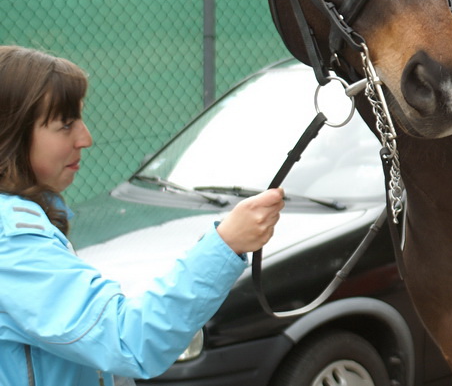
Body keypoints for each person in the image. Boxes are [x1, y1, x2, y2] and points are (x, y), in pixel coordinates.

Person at [0, 45, 285, 386]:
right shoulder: (12, 244)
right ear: (10, 133)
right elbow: (128, 339)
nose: (86, 138)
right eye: (65, 124)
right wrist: (225, 244)